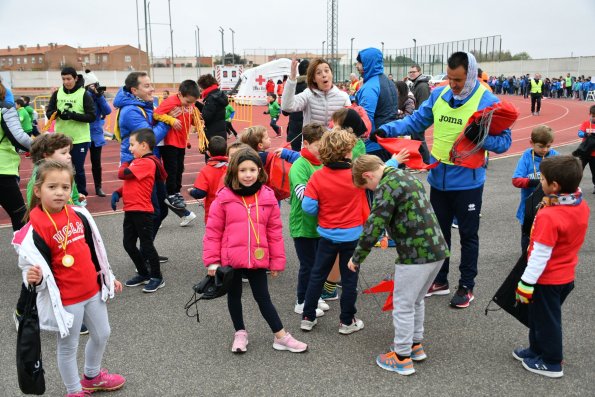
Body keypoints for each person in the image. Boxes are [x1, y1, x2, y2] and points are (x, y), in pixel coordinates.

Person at [371, 52, 512, 308]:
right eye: (449, 78)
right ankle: (440, 280)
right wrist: (387, 129)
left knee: (468, 236)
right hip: (438, 179)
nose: (453, 84)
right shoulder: (439, 95)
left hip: (468, 183)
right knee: (438, 234)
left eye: (458, 79)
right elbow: (416, 120)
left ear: (470, 75)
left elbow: (505, 142)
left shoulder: (487, 101)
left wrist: (479, 136)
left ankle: (467, 286)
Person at [13, 160, 125, 396]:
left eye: (65, 187)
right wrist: (34, 277)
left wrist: (108, 276)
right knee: (68, 347)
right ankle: (74, 390)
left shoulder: (79, 214)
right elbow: (29, 269)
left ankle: (92, 377)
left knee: (103, 333)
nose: (60, 192)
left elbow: (96, 250)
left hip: (92, 290)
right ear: (37, 190)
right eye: (52, 187)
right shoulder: (33, 230)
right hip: (67, 299)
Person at [348, 155, 449, 375]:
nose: (370, 189)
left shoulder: (385, 187)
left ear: (368, 175)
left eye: (367, 186)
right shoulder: (404, 175)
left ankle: (402, 357)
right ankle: (415, 345)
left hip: (415, 255)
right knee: (416, 300)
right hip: (437, 249)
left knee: (403, 304)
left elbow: (374, 225)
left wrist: (356, 257)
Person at [203, 147, 307, 354]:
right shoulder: (223, 197)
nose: (248, 175)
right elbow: (213, 231)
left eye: (252, 169)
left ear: (260, 171)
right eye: (243, 170)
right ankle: (240, 333)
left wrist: (277, 262)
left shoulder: (268, 197)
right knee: (234, 296)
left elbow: (274, 233)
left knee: (263, 297)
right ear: (234, 172)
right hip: (230, 258)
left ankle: (281, 336)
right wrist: (212, 261)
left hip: (257, 258)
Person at [513, 155, 589, 378]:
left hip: (548, 279)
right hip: (565, 275)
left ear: (554, 186)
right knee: (538, 316)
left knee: (547, 320)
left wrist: (526, 282)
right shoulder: (579, 204)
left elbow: (540, 255)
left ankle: (552, 361)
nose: (541, 182)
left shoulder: (550, 215)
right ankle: (536, 349)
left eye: (543, 179)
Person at [300, 128, 367, 333]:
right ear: (347, 152)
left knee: (317, 275)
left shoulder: (318, 176)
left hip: (327, 234)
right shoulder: (356, 175)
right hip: (352, 235)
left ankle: (308, 316)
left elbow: (308, 207)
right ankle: (347, 321)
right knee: (349, 280)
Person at [113, 71, 173, 248]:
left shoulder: (144, 104)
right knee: (153, 212)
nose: (152, 89)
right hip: (139, 165)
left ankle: (146, 251)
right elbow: (150, 137)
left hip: (150, 161)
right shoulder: (131, 111)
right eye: (146, 86)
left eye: (151, 84)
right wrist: (169, 121)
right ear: (134, 90)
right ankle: (145, 254)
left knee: (160, 210)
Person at [119, 129, 167, 293]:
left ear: (144, 145)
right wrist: (118, 193)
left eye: (132, 145)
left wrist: (125, 162)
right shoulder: (138, 162)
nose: (130, 149)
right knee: (128, 244)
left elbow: (123, 173)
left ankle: (157, 276)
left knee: (146, 245)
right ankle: (143, 273)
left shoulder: (146, 162)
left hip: (142, 211)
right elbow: (131, 182)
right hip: (131, 209)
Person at [289, 123, 328, 318]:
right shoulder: (299, 165)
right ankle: (302, 300)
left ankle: (315, 295)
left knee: (319, 264)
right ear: (306, 144)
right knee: (308, 265)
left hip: (320, 225)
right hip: (303, 225)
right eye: (319, 146)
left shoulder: (322, 164)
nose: (322, 151)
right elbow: (302, 193)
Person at [153, 79, 202, 215]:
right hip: (170, 142)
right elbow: (156, 114)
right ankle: (171, 192)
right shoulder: (170, 101)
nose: (191, 104)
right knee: (172, 168)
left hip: (181, 141)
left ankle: (176, 192)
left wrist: (197, 122)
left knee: (180, 168)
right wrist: (171, 119)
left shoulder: (190, 104)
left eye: (192, 102)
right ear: (180, 94)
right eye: (188, 102)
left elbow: (189, 117)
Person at [46, 67, 96, 196]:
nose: (66, 82)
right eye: (63, 79)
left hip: (80, 139)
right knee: (61, 169)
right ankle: (64, 194)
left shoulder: (84, 94)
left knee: (77, 169)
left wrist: (73, 115)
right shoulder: (57, 93)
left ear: (75, 78)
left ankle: (81, 195)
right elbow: (49, 112)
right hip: (61, 139)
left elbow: (91, 116)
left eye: (69, 79)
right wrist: (57, 114)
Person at [512, 125, 558, 252]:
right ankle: (525, 261)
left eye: (548, 146)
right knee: (527, 236)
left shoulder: (555, 156)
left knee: (548, 236)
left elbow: (562, 180)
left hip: (550, 206)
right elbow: (516, 180)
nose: (545, 150)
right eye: (541, 146)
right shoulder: (526, 157)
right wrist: (536, 182)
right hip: (529, 207)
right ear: (532, 143)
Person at [355, 48, 398, 161]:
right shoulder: (389, 82)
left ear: (368, 63)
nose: (357, 66)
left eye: (360, 62)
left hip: (374, 146)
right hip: (391, 141)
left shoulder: (370, 87)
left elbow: (365, 120)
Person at [281, 57, 350, 127]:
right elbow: (287, 107)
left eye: (326, 71)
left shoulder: (343, 97)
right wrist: (292, 78)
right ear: (314, 79)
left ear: (331, 74)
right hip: (312, 138)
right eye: (318, 73)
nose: (324, 75)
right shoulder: (307, 95)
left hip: (335, 138)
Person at [27, 133, 85, 206]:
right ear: (46, 155)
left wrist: (78, 206)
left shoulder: (67, 173)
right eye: (64, 153)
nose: (69, 156)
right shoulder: (38, 178)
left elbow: (74, 197)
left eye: (69, 152)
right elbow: (32, 206)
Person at [84, 69, 112, 197]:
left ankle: (98, 187)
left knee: (96, 163)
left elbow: (107, 111)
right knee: (78, 164)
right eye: (93, 85)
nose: (96, 87)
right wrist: (90, 93)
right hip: (82, 133)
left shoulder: (99, 97)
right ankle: (79, 189)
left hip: (95, 134)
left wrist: (99, 96)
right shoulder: (84, 95)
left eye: (97, 85)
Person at [188, 135, 228, 224]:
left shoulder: (206, 170)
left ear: (209, 153)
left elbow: (200, 193)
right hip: (230, 208)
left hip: (213, 210)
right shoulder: (232, 168)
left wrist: (191, 192)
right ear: (226, 152)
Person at [196, 74, 229, 160]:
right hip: (220, 131)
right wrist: (196, 104)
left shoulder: (211, 99)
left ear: (204, 86)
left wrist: (196, 117)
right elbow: (210, 111)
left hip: (212, 134)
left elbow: (206, 116)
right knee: (221, 158)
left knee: (212, 159)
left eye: (200, 87)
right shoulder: (218, 95)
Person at [283, 59, 309, 151]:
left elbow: (285, 111)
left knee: (295, 161)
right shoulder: (313, 88)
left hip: (294, 132)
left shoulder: (292, 86)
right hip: (310, 133)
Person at [408, 64, 431, 163]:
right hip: (416, 116)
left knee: (419, 140)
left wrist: (419, 117)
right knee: (416, 139)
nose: (412, 74)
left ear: (419, 72)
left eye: (414, 72)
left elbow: (423, 104)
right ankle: (422, 162)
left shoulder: (422, 86)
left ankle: (426, 163)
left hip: (419, 117)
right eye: (410, 72)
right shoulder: (416, 84)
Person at [576, 105, 595, 194]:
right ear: (589, 114)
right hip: (584, 152)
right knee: (578, 170)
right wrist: (585, 134)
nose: (594, 118)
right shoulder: (586, 123)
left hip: (594, 154)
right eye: (593, 116)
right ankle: (573, 186)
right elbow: (579, 133)